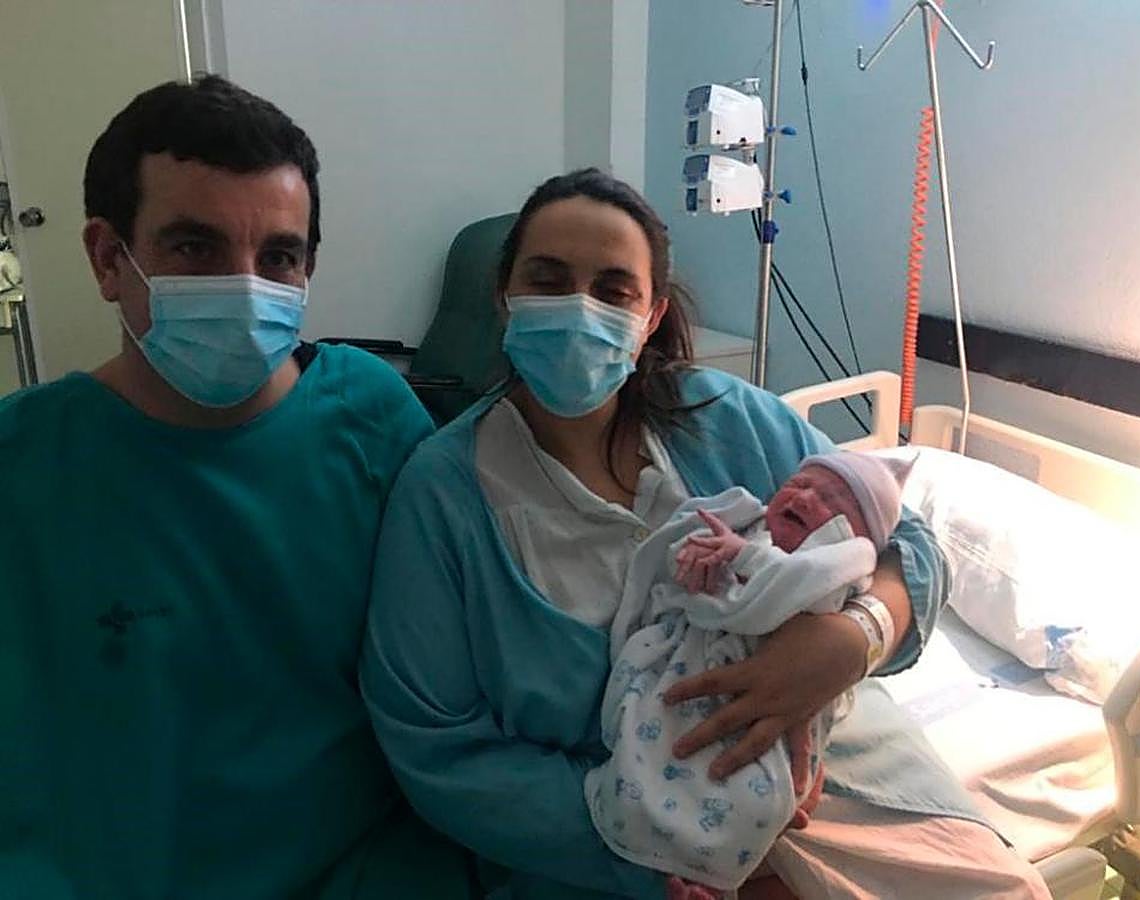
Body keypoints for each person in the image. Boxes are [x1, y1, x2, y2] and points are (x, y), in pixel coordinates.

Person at [362, 167, 1051, 899]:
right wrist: (661, 848)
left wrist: (854, 638)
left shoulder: (727, 416)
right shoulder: (444, 495)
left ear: (651, 315)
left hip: (837, 778)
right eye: (549, 280)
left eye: (613, 291)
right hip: (616, 841)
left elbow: (908, 544)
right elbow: (438, 747)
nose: (579, 308)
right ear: (505, 297)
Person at [0, 76, 472, 898]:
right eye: (195, 247)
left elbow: (495, 632)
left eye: (278, 257)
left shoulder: (373, 419)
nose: (245, 287)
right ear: (109, 259)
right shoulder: (25, 459)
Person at [587, 453, 914, 896]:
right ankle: (667, 867)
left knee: (749, 792)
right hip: (692, 663)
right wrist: (696, 563)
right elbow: (675, 566)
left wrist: (861, 634)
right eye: (798, 484)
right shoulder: (744, 523)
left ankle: (708, 879)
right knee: (650, 750)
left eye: (833, 501)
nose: (806, 497)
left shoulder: (843, 559)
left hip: (782, 690)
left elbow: (796, 587)